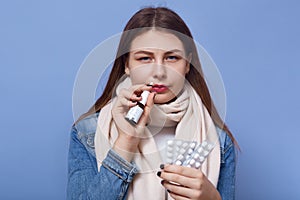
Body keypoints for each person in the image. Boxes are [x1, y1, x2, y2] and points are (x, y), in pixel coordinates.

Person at [67, 7, 238, 200]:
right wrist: (126, 141)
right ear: (127, 65)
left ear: (187, 64)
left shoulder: (219, 143)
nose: (159, 72)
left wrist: (213, 199)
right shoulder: (86, 132)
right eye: (145, 58)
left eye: (172, 57)